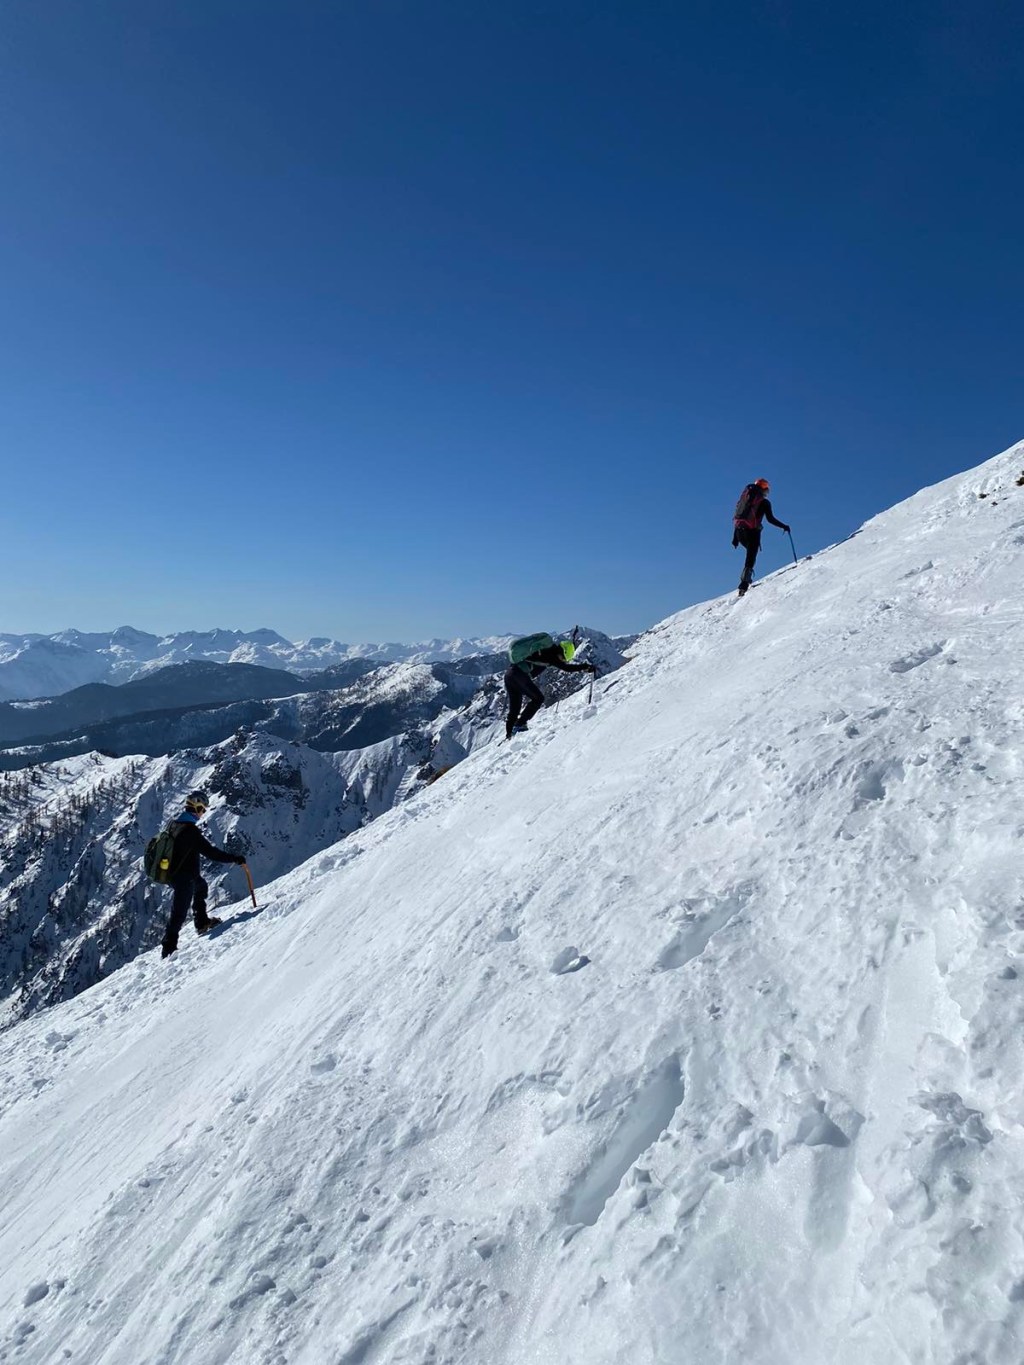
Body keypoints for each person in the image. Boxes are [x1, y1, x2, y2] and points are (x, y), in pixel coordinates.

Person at [160, 790, 246, 959]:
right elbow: (211, 853)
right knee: (179, 913)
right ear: (196, 808)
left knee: (201, 886)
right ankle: (168, 949)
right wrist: (234, 858)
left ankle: (202, 922)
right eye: (202, 809)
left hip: (175, 874)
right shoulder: (191, 832)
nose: (203, 813)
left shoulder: (174, 824)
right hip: (183, 878)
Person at [504, 637, 595, 741]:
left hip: (509, 675)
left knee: (514, 709)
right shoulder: (552, 655)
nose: (563, 661)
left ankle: (509, 734)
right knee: (538, 698)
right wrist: (585, 666)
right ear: (562, 652)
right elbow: (567, 668)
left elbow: (563, 666)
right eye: (564, 658)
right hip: (519, 675)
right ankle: (520, 724)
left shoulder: (546, 651)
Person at [732, 478, 790, 596]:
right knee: (751, 556)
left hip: (739, 532)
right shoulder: (764, 502)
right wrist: (784, 526)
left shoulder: (746, 498)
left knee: (750, 553)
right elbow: (770, 519)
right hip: (752, 533)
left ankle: (745, 581)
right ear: (764, 489)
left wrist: (735, 538)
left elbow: (740, 516)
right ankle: (744, 584)